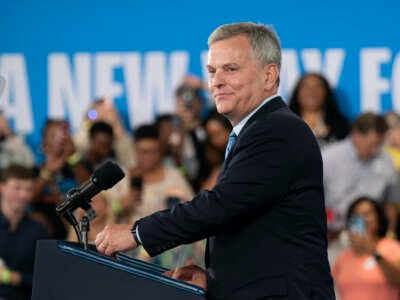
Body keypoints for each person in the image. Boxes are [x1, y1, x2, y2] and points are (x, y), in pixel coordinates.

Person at [95, 22, 334, 299]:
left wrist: (138, 233)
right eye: (212, 71)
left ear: (269, 75)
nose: (216, 81)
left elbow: (223, 205)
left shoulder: (277, 130)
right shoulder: (257, 130)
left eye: (230, 69)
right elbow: (254, 225)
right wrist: (218, 279)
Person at [323, 113, 400, 241]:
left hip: (373, 237)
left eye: (379, 144)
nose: (375, 150)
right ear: (356, 135)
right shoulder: (328, 159)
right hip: (334, 235)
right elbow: (313, 200)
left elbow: (390, 204)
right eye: (372, 144)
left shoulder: (387, 160)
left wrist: (390, 236)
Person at [333, 196, 400, 300]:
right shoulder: (343, 256)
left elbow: (397, 278)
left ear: (378, 218)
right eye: (357, 215)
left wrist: (373, 251)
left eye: (367, 213)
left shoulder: (391, 247)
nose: (363, 218)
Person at [0, 164, 49, 300]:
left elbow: (46, 278)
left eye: (28, 189)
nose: (23, 195)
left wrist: (13, 277)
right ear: (2, 187)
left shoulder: (38, 230)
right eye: (17, 188)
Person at [289, 73, 349, 147]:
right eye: (306, 87)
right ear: (297, 93)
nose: (311, 91)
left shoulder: (342, 127)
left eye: (318, 86)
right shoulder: (283, 126)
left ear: (326, 92)